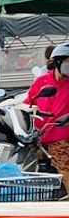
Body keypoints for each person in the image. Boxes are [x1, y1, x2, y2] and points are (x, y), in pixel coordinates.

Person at [29, 41, 69, 183]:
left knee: (65, 169)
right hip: (40, 135)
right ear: (57, 62)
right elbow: (29, 102)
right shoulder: (42, 81)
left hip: (62, 136)